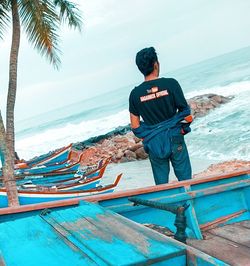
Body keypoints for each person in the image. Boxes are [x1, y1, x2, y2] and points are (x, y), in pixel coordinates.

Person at [129, 47, 192, 185]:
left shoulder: (134, 94)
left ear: (140, 68)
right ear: (156, 64)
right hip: (175, 138)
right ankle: (190, 205)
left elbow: (135, 126)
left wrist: (153, 131)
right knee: (186, 182)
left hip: (154, 144)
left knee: (162, 185)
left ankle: (168, 205)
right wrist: (177, 124)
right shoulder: (171, 84)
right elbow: (187, 116)